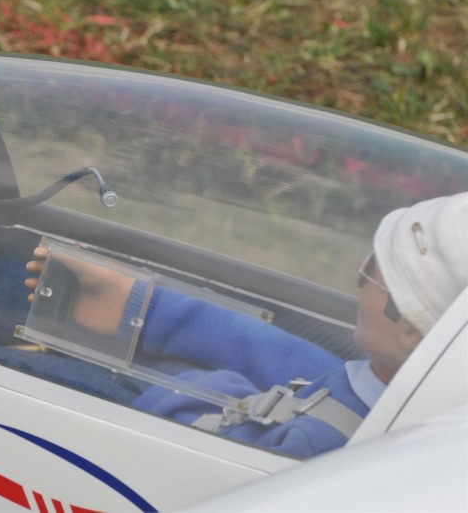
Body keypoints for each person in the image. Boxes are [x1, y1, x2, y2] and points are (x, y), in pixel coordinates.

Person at [24, 192, 468, 458]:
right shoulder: (389, 389)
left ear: (410, 329)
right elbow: (297, 364)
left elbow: (190, 465)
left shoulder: (318, 450)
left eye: (371, 271)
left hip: (159, 420)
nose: (360, 271)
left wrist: (189, 383)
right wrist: (145, 307)